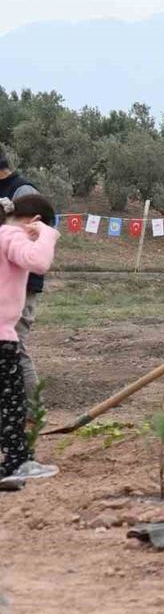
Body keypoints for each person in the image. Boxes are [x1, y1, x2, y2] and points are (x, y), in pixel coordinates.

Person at [0, 194, 59, 483]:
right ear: (34, 221)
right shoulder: (13, 236)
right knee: (11, 403)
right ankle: (17, 463)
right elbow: (39, 262)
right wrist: (47, 235)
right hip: (1, 337)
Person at [0, 156, 46, 400]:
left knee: (14, 347)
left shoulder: (23, 191)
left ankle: (32, 412)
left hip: (21, 285)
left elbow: (33, 239)